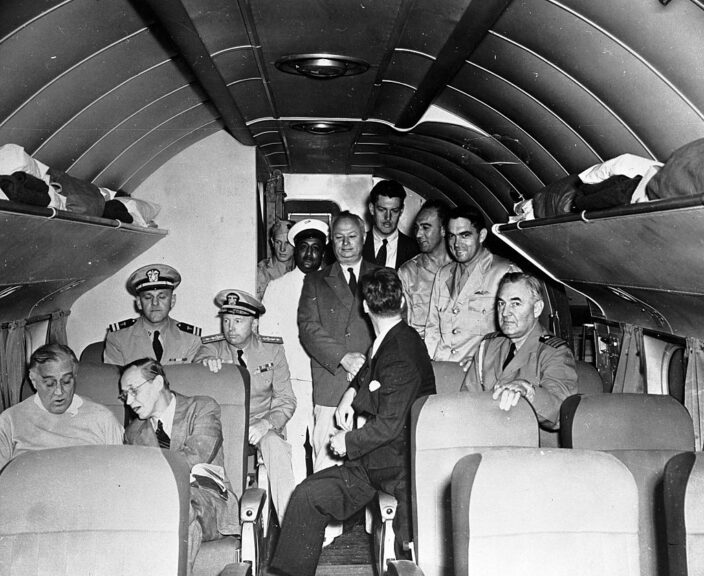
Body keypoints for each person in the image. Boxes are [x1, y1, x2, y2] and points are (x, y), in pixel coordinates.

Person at [270, 268, 436, 576]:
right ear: (401, 302)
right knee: (307, 495)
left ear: (364, 306)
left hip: (399, 468)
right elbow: (368, 369)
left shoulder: (401, 349)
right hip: (376, 460)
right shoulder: (389, 339)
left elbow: (388, 425)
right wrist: (350, 394)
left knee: (409, 556)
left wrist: (345, 441)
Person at [121, 358, 239, 575]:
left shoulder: (201, 408)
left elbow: (195, 457)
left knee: (178, 503)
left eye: (133, 391)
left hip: (209, 500)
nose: (128, 401)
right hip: (163, 509)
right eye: (124, 394)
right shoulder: (133, 433)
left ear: (157, 383)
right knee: (185, 522)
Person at [194, 289, 296, 522]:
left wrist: (266, 424)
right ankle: (229, 523)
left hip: (260, 422)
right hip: (224, 425)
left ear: (254, 323)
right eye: (226, 320)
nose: (230, 327)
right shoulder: (211, 349)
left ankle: (290, 523)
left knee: (275, 446)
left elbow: (286, 399)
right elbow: (198, 362)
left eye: (238, 321)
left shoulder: (272, 350)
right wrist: (204, 365)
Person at [298, 211, 379, 473]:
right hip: (332, 387)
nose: (345, 244)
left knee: (372, 473)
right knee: (327, 472)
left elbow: (395, 329)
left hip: (373, 387)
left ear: (364, 237)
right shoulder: (315, 281)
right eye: (338, 238)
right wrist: (344, 358)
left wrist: (365, 365)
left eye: (351, 237)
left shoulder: (383, 276)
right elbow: (308, 329)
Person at [260, 218, 329, 485]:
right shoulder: (278, 288)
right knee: (295, 449)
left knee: (326, 448)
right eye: (303, 247)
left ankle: (328, 519)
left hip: (326, 381)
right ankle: (297, 513)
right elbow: (268, 341)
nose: (309, 254)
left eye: (315, 247)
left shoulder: (334, 286)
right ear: (295, 249)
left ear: (323, 251)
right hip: (293, 382)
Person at [462, 272, 578, 429]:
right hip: (486, 434)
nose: (505, 313)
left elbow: (560, 412)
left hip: (528, 444)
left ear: (537, 309)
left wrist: (528, 391)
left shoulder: (554, 352)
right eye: (501, 304)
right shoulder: (488, 346)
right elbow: (466, 400)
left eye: (515, 304)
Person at [0, 344, 123, 469]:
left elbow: (119, 472)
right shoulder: (9, 420)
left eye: (66, 381)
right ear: (33, 380)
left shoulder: (102, 418)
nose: (59, 391)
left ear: (75, 377)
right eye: (49, 384)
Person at [424, 206, 518, 364]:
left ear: (481, 236)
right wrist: (433, 361)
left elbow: (515, 332)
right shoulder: (443, 274)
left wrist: (485, 361)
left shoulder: (504, 272)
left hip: (478, 372)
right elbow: (432, 326)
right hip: (442, 368)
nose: (456, 244)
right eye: (451, 236)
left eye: (464, 235)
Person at [104, 263, 202, 365]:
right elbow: (112, 378)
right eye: (148, 297)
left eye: (162, 296)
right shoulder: (118, 337)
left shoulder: (190, 338)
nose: (155, 303)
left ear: (172, 301)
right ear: (139, 302)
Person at [398, 199, 452, 338]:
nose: (418, 235)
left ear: (444, 229)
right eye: (416, 228)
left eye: (426, 227)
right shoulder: (408, 273)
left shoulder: (464, 268)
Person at [362, 180, 419, 270]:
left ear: (401, 210)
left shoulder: (415, 250)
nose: (388, 217)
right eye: (382, 209)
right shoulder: (357, 244)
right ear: (371, 208)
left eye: (394, 210)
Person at [256, 219, 295, 299]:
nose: (282, 249)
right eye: (278, 242)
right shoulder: (260, 272)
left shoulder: (301, 271)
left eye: (287, 243)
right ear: (272, 242)